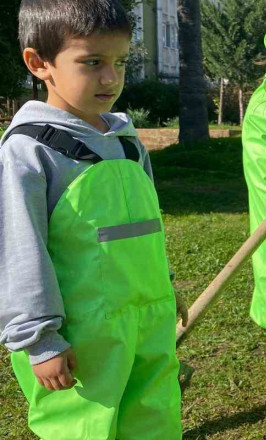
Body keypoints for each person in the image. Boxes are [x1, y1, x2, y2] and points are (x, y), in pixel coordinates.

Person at [0, 0, 187, 438]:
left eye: (120, 62)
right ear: (39, 62)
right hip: (82, 343)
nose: (111, 77)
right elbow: (17, 249)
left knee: (155, 422)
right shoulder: (28, 152)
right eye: (92, 62)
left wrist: (167, 283)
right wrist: (39, 339)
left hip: (148, 321)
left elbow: (145, 225)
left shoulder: (126, 141)